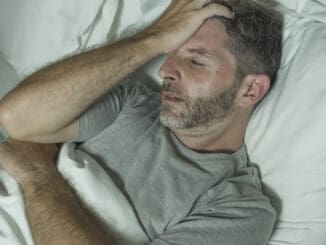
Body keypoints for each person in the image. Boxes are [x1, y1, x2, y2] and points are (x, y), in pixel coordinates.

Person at [0, 0, 283, 244]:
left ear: (250, 90)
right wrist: (154, 38)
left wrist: (37, 175)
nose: (164, 71)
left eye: (196, 61)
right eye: (169, 54)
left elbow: (28, 155)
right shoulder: (132, 102)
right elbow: (17, 117)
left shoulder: (238, 207)